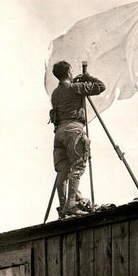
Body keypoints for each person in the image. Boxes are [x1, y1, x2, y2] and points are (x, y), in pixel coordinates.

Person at [50, 61, 106, 218]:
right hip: (73, 131)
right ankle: (72, 205)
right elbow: (101, 86)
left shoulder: (55, 93)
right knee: (78, 165)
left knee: (63, 170)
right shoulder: (75, 88)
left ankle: (63, 208)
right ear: (69, 72)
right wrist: (88, 77)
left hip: (59, 132)